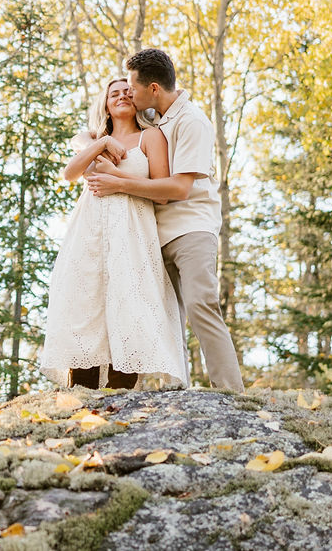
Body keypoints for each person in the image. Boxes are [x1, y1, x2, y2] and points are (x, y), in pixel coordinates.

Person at [86, 49, 245, 392]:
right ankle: (178, 388)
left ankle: (231, 391)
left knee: (202, 302)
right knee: (164, 315)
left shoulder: (192, 122)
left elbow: (179, 188)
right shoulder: (153, 120)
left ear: (154, 88)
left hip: (191, 228)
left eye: (132, 87)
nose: (128, 93)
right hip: (151, 234)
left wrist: (118, 182)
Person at [38, 78, 188, 390]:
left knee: (129, 304)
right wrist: (102, 144)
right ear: (105, 104)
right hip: (88, 232)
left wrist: (116, 175)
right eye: (113, 93)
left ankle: (119, 398)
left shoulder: (151, 136)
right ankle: (81, 397)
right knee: (85, 303)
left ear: (137, 100)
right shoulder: (93, 139)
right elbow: (68, 174)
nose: (121, 96)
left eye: (127, 92)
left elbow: (162, 193)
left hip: (132, 229)